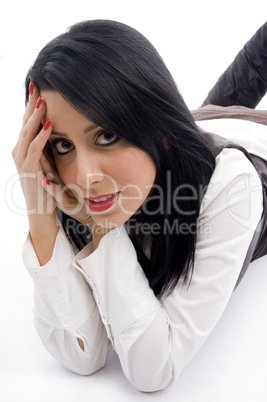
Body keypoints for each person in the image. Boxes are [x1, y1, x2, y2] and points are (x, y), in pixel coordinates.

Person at [12, 20, 267, 392]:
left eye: (107, 135)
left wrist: (100, 230)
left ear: (158, 126)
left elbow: (154, 371)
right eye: (63, 144)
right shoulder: (79, 186)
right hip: (201, 120)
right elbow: (81, 354)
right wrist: (40, 208)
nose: (84, 178)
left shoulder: (231, 188)